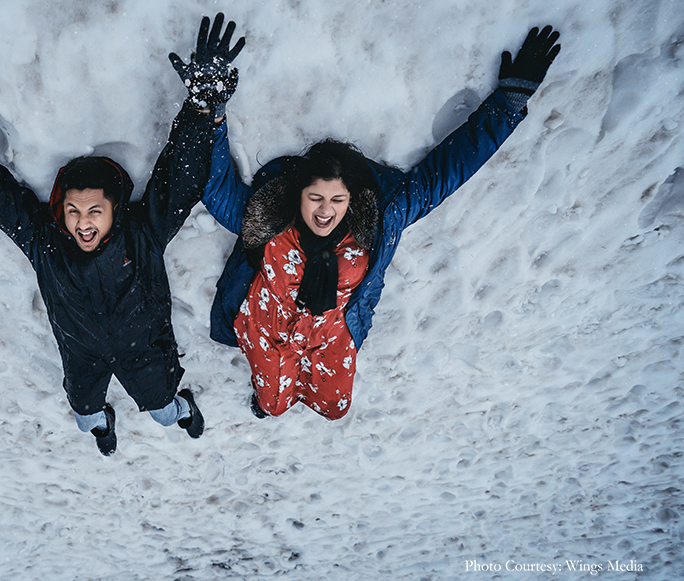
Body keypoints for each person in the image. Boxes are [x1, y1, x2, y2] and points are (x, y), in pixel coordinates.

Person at [0, 13, 245, 455]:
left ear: (115, 210)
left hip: (144, 352)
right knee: (85, 416)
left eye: (95, 211)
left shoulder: (143, 233)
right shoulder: (45, 242)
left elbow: (180, 177)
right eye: (74, 211)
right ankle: (102, 424)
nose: (83, 222)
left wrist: (200, 106)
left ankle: (183, 410)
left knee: (161, 410)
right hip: (82, 355)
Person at [202, 26, 561, 420]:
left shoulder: (377, 223)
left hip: (330, 339)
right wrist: (209, 108)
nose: (325, 211)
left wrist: (507, 104)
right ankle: (267, 398)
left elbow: (442, 175)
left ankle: (289, 393)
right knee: (273, 403)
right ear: (299, 195)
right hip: (268, 332)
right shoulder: (269, 219)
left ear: (351, 200)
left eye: (337, 200)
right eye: (316, 198)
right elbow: (214, 186)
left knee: (334, 407)